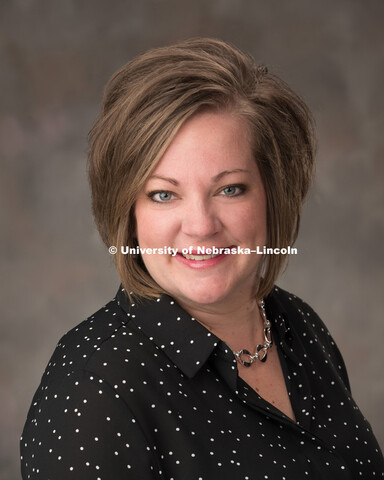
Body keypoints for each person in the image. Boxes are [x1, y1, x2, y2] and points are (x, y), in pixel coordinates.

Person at [21, 38, 383, 479]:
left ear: (274, 194)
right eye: (163, 194)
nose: (201, 226)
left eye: (229, 189)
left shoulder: (299, 327)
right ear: (129, 215)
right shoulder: (91, 389)